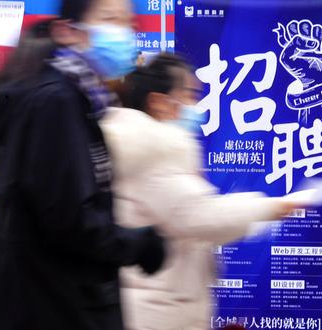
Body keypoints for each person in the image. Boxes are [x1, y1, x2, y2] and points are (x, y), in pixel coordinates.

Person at [0, 0, 166, 329]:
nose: (125, 32)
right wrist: (137, 244)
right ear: (68, 30)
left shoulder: (73, 98)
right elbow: (69, 217)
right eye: (110, 19)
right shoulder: (56, 101)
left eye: (128, 23)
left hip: (54, 297)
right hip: (53, 302)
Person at [100, 53, 297, 330]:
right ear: (158, 101)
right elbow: (197, 216)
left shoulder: (160, 147)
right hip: (156, 310)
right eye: (188, 95)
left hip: (164, 302)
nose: (196, 106)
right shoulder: (150, 149)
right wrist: (270, 207)